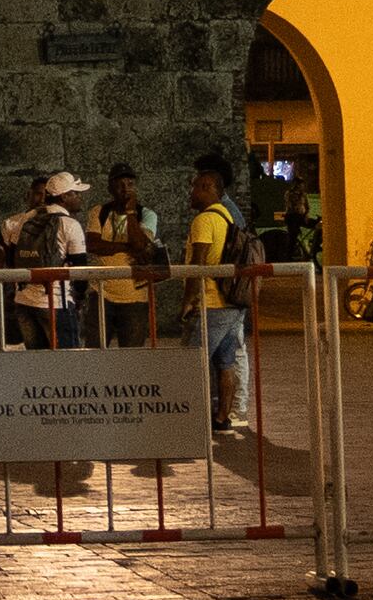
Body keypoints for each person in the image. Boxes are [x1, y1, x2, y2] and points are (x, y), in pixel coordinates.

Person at [178, 158, 255, 434]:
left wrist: (188, 301)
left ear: (209, 187)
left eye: (196, 187)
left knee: (191, 362)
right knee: (226, 362)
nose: (191, 192)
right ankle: (222, 417)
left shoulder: (205, 220)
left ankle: (189, 420)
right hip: (231, 302)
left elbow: (196, 265)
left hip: (210, 303)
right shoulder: (228, 216)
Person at [3, 170, 89, 347]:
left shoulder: (25, 219)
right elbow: (80, 270)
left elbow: (11, 259)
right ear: (64, 197)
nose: (80, 197)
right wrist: (79, 297)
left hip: (24, 301)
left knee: (37, 364)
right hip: (56, 302)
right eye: (76, 193)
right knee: (67, 363)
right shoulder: (69, 224)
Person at [90, 167, 160, 348]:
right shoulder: (99, 212)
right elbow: (93, 245)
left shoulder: (147, 214)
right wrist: (126, 247)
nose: (125, 189)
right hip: (101, 294)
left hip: (135, 297)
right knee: (95, 351)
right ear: (110, 188)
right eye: (120, 184)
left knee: (131, 355)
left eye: (130, 184)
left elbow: (139, 245)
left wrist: (130, 213)